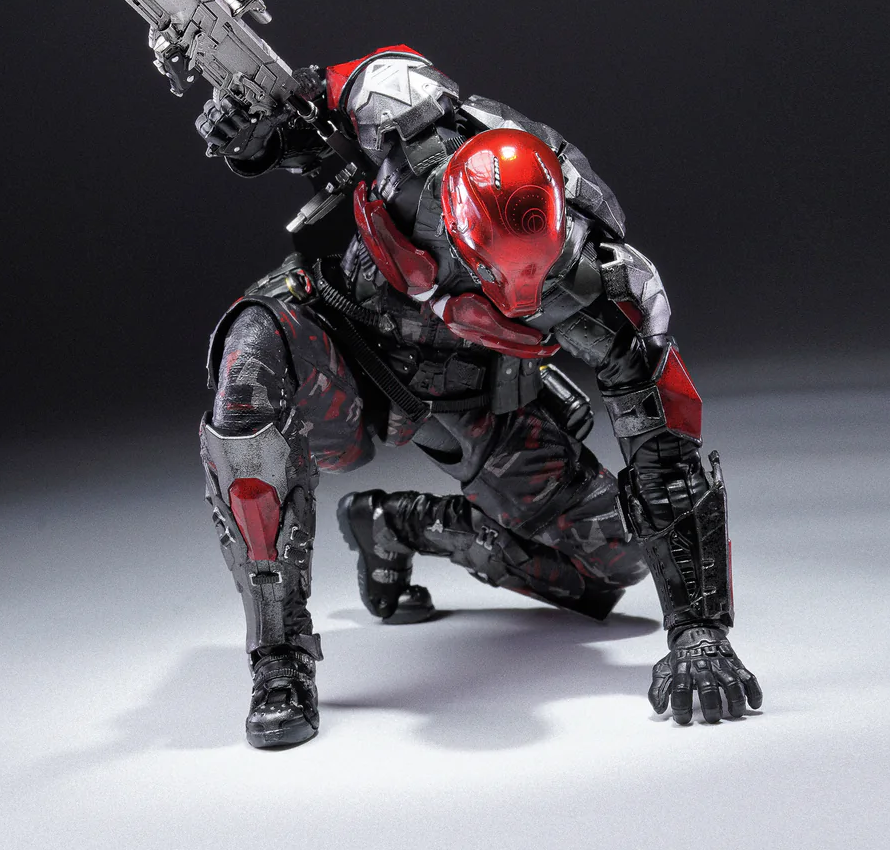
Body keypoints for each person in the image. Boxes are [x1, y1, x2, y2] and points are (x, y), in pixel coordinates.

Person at [196, 46, 762, 748]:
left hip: (472, 392)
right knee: (248, 363)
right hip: (343, 350)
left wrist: (700, 634)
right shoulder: (398, 108)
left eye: (535, 283)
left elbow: (666, 456)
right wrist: (255, 137)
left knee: (614, 561)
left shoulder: (606, 287)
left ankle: (397, 525)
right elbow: (301, 116)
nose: (517, 297)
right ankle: (279, 658)